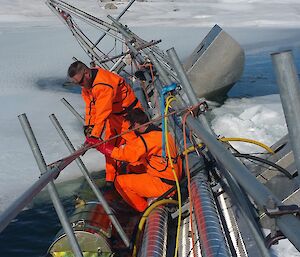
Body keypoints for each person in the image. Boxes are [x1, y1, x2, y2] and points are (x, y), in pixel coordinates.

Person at [68, 60, 142, 184]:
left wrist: (95, 135)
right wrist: (89, 128)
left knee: (136, 148)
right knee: (109, 145)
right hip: (114, 118)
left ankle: (140, 176)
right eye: (76, 83)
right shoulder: (87, 87)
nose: (80, 85)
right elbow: (91, 108)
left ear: (87, 73)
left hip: (130, 117)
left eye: (80, 82)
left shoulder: (103, 84)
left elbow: (103, 112)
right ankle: (111, 180)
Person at [95, 108, 182, 212]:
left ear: (136, 124)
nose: (132, 130)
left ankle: (143, 209)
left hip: (164, 185)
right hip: (172, 177)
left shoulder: (147, 140)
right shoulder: (160, 133)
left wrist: (102, 147)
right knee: (131, 168)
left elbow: (125, 155)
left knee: (120, 182)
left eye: (131, 127)